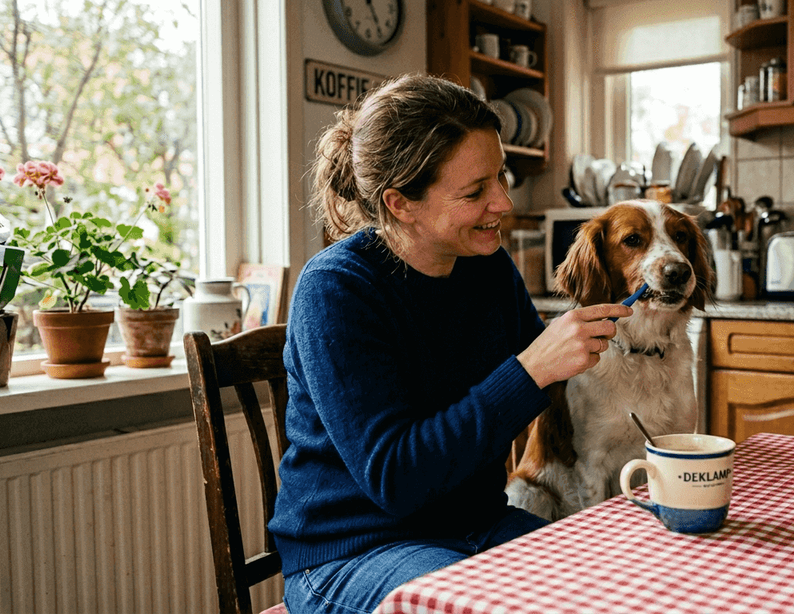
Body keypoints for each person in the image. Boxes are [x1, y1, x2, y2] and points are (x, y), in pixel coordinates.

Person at [270, 73, 631, 613]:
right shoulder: (336, 290)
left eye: (501, 177)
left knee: (615, 582)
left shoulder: (486, 268)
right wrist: (531, 369)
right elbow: (397, 479)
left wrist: (638, 348)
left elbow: (561, 389)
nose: (504, 203)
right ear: (400, 203)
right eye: (475, 191)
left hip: (474, 526)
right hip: (352, 553)